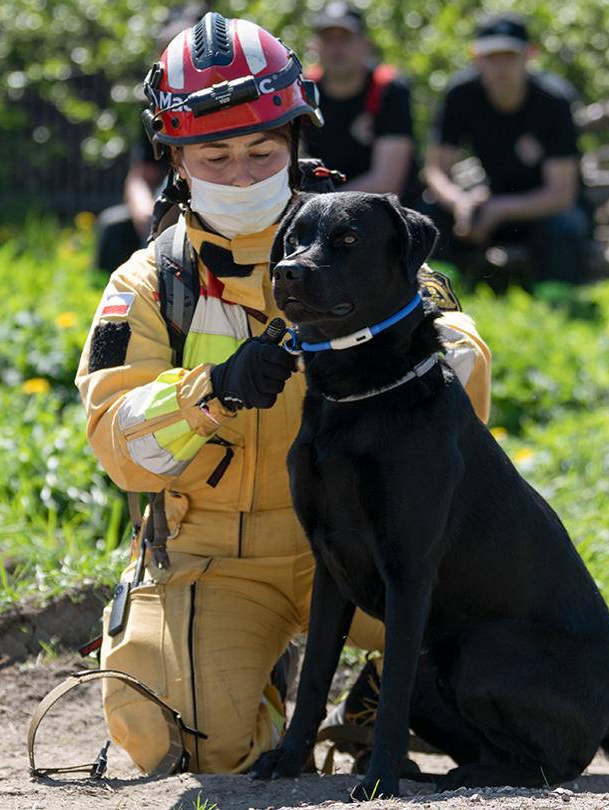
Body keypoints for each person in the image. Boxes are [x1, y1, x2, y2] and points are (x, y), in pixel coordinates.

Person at [75, 12, 495, 776]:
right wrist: (209, 391)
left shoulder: (369, 237)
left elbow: (462, 369)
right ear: (175, 158)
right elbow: (120, 444)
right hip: (221, 557)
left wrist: (373, 347)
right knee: (174, 739)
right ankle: (265, 692)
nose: (242, 175)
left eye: (262, 152)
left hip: (373, 542)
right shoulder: (151, 282)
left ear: (298, 140)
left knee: (506, 612)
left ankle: (376, 708)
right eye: (216, 156)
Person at [423, 12, 593, 289]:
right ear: (476, 57)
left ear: (530, 55)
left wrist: (498, 210)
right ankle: (437, 291)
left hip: (542, 209)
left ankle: (556, 298)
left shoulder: (553, 100)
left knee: (563, 225)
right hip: (490, 201)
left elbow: (561, 194)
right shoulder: (460, 94)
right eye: (492, 57)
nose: (501, 66)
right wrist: (459, 203)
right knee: (429, 210)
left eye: (509, 56)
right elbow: (435, 171)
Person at [92, 5, 208, 272]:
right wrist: (147, 213)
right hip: (173, 206)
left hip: (219, 205)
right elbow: (140, 177)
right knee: (114, 227)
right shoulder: (155, 110)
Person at [301, 3, 417, 197]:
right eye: (328, 39)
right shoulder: (302, 91)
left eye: (345, 38)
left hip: (384, 207)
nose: (336, 48)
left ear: (366, 45)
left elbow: (387, 182)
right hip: (321, 203)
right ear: (314, 46)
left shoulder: (388, 90)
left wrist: (326, 203)